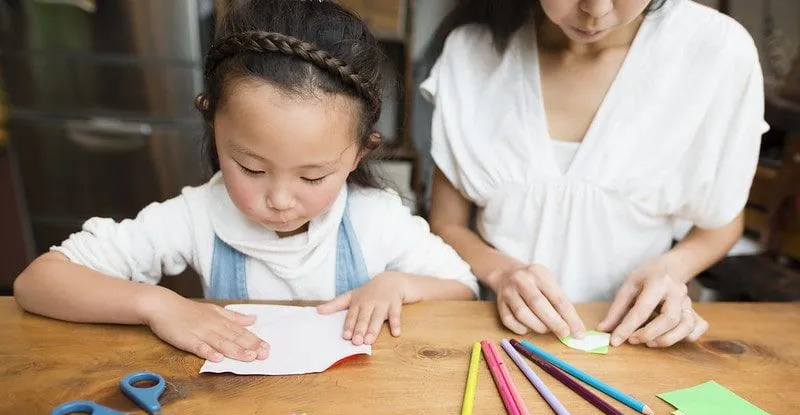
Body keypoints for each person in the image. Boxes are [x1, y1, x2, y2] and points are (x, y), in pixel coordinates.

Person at [13, 0, 477, 363]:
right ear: (213, 124)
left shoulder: (375, 219)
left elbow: (464, 289)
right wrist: (157, 305)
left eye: (313, 176)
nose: (278, 200)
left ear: (359, 154)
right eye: (251, 169)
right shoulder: (196, 216)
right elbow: (39, 282)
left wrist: (399, 285)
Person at [423, 0, 767, 348]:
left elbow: (723, 221)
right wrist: (503, 273)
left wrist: (671, 269)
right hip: (495, 339)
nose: (596, 10)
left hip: (631, 340)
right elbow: (447, 222)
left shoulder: (715, 51)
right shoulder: (471, 49)